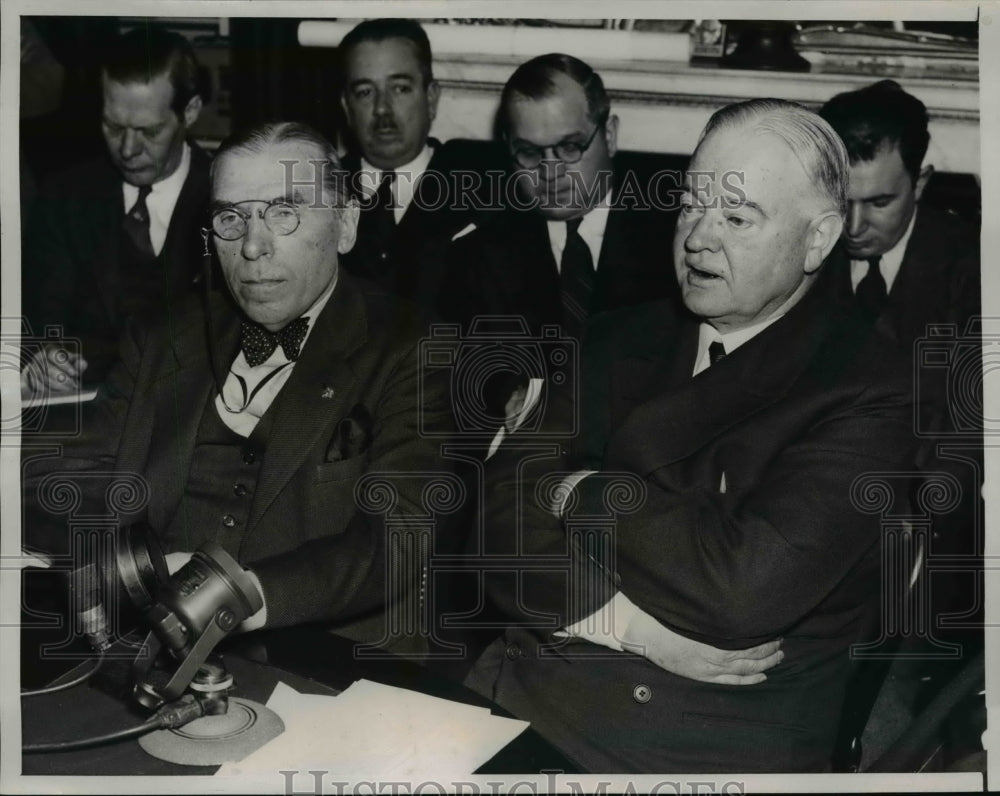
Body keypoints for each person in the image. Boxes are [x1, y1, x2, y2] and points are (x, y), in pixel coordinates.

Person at [468, 99, 917, 772]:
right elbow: (494, 524)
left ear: (818, 239)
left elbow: (742, 591)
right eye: (691, 206)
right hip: (532, 691)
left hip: (699, 744)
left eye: (736, 218)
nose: (698, 239)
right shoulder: (619, 336)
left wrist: (581, 491)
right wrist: (633, 628)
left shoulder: (871, 388)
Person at [22, 121, 455, 654]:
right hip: (149, 642)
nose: (252, 246)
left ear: (345, 224)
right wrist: (124, 572)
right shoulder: (160, 338)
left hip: (330, 659)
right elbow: (70, 483)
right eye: (231, 217)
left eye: (284, 213)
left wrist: (234, 595)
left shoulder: (414, 347)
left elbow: (398, 537)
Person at [22, 27, 211, 396]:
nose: (127, 149)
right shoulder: (65, 198)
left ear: (189, 112)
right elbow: (40, 322)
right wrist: (44, 358)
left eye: (148, 131)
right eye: (113, 126)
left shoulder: (227, 200)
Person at [440, 53, 680, 339]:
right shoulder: (478, 255)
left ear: (610, 135)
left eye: (569, 147)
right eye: (529, 152)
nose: (550, 172)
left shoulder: (673, 242)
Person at [337, 18, 498, 307]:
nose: (382, 109)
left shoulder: (485, 186)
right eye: (365, 92)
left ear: (432, 98)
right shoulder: (320, 191)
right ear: (347, 109)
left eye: (400, 88)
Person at [817, 79, 980, 345]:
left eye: (879, 203)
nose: (854, 227)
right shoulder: (796, 252)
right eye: (841, 202)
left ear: (920, 183)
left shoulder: (974, 269)